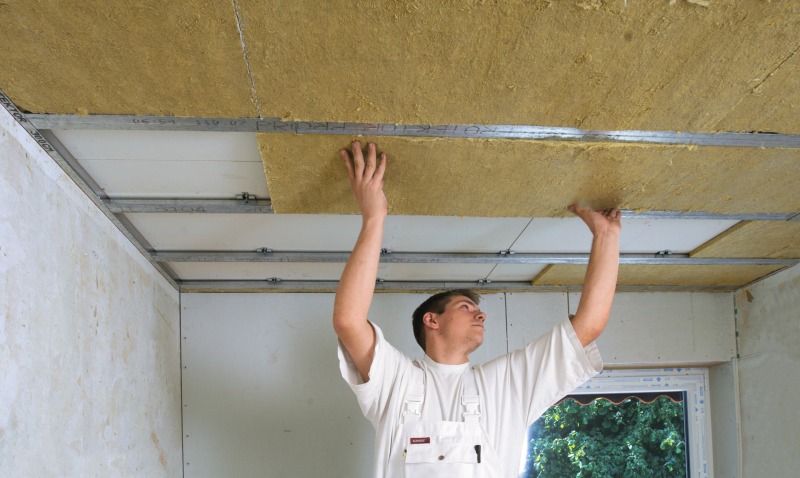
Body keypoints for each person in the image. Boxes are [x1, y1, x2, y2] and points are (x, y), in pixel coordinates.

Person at [333, 141, 621, 477]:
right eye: (466, 307)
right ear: (432, 320)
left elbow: (588, 326)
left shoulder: (507, 384)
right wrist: (373, 216)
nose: (481, 315)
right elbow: (348, 321)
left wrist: (606, 237)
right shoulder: (398, 382)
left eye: (475, 309)